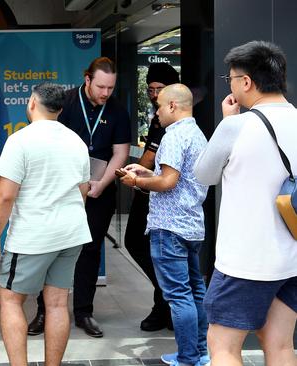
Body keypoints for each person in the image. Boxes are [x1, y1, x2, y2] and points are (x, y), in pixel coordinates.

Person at [194, 41, 297, 366]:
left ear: (247, 82)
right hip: (292, 257)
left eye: (231, 79)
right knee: (279, 344)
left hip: (245, 262)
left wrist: (228, 121)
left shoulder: (236, 125)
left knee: (222, 345)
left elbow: (204, 175)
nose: (232, 85)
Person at [0, 82, 91, 366]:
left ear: (32, 102)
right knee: (57, 303)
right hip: (72, 233)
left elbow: (5, 196)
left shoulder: (20, 140)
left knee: (10, 299)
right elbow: (83, 191)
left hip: (33, 236)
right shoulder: (77, 141)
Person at [28, 57, 131, 338]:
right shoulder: (66, 103)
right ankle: (44, 310)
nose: (105, 93)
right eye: (101, 86)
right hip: (61, 191)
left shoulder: (118, 110)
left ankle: (84, 312)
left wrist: (100, 184)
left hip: (99, 190)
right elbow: (47, 141)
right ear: (87, 80)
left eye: (110, 87)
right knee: (52, 251)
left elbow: (120, 153)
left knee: (89, 251)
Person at [121, 84, 209, 366]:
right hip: (191, 225)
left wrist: (136, 181)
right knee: (195, 291)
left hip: (170, 227)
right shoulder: (196, 134)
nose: (156, 112)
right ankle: (199, 352)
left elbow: (168, 182)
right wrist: (147, 171)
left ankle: (186, 358)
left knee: (179, 296)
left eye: (159, 106)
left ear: (172, 105)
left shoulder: (173, 136)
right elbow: (177, 177)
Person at [125, 62, 179, 332]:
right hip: (148, 191)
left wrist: (133, 174)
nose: (155, 94)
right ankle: (164, 301)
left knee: (140, 243)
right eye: (151, 89)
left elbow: (150, 157)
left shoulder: (173, 121)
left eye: (160, 89)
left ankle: (166, 302)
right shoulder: (158, 117)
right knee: (138, 243)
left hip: (164, 195)